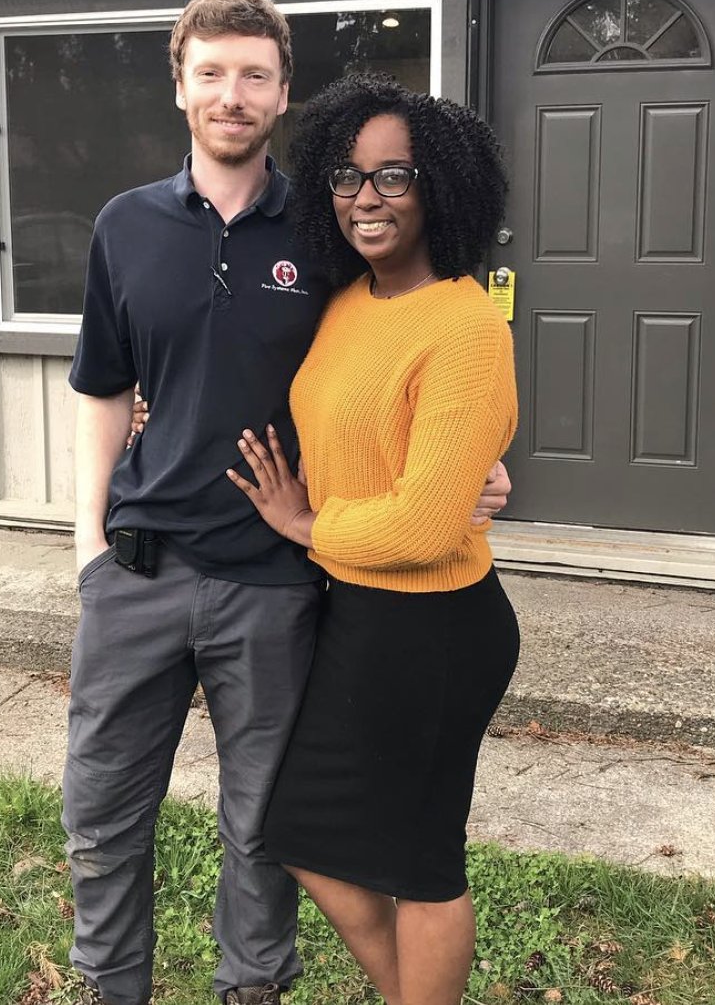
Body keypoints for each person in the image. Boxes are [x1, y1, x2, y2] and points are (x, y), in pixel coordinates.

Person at [65, 0, 510, 1005]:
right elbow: (104, 391)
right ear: (179, 85)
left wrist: (474, 464)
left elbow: (408, 363)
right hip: (135, 574)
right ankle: (109, 987)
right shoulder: (124, 227)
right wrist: (85, 545)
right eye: (211, 72)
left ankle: (250, 990)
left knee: (264, 828)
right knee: (100, 817)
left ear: (282, 91)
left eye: (254, 74)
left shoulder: (321, 227)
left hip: (275, 582)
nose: (233, 93)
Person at [225, 72, 519, 1005]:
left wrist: (308, 523)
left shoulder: (467, 322)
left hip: (435, 627)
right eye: (350, 179)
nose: (367, 199)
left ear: (441, 187)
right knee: (308, 837)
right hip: (359, 614)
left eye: (394, 177)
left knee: (424, 860)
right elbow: (362, 437)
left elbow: (429, 523)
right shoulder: (351, 301)